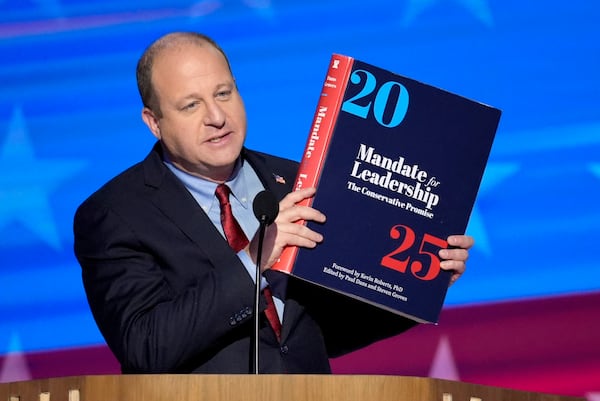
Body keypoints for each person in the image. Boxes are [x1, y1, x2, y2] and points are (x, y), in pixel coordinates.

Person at [73, 32, 474, 374]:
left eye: (223, 93)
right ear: (153, 122)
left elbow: (327, 330)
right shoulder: (115, 215)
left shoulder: (300, 180)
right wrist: (253, 261)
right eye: (191, 105)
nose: (216, 115)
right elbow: (146, 348)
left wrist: (419, 283)